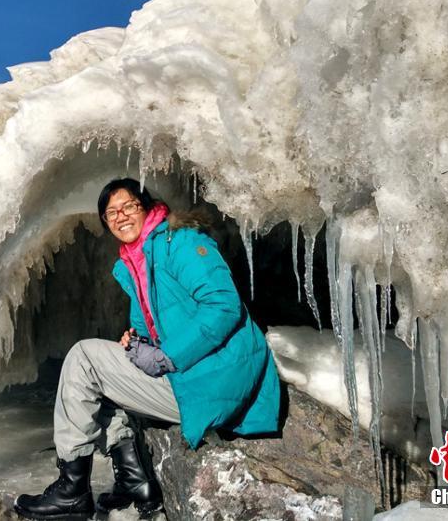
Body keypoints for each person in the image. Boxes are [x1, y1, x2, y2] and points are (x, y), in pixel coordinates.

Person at [14, 178, 281, 520]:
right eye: (111, 213)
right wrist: (138, 345)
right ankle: (134, 481)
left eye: (128, 207)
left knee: (83, 359)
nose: (120, 216)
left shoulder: (181, 242)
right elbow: (150, 327)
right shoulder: (137, 260)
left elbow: (224, 305)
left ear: (148, 206)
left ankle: (72, 491)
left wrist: (167, 356)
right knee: (105, 370)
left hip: (215, 381)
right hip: (197, 376)